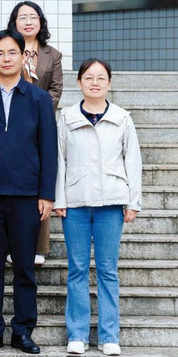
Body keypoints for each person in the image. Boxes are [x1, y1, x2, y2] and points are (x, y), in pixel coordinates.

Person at [0, 29, 57, 355]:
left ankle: (23, 331)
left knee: (24, 268)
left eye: (12, 53)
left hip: (26, 195)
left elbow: (48, 149)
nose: (6, 58)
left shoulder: (38, 99)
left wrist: (46, 194)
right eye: (0, 53)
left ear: (24, 57)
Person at [54, 59, 142, 357]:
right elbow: (59, 160)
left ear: (109, 83)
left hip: (111, 203)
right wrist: (59, 199)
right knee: (77, 269)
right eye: (89, 77)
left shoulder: (121, 118)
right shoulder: (66, 117)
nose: (95, 82)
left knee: (107, 271)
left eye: (101, 78)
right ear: (79, 82)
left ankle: (109, 335)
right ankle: (77, 334)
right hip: (76, 203)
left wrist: (133, 201)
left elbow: (133, 161)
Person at [0, 1, 62, 265]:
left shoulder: (52, 54)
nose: (28, 21)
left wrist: (35, 109)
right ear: (14, 22)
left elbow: (56, 89)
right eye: (23, 17)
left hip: (39, 120)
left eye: (33, 17)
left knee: (40, 184)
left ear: (41, 22)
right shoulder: (4, 50)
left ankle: (38, 247)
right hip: (7, 120)